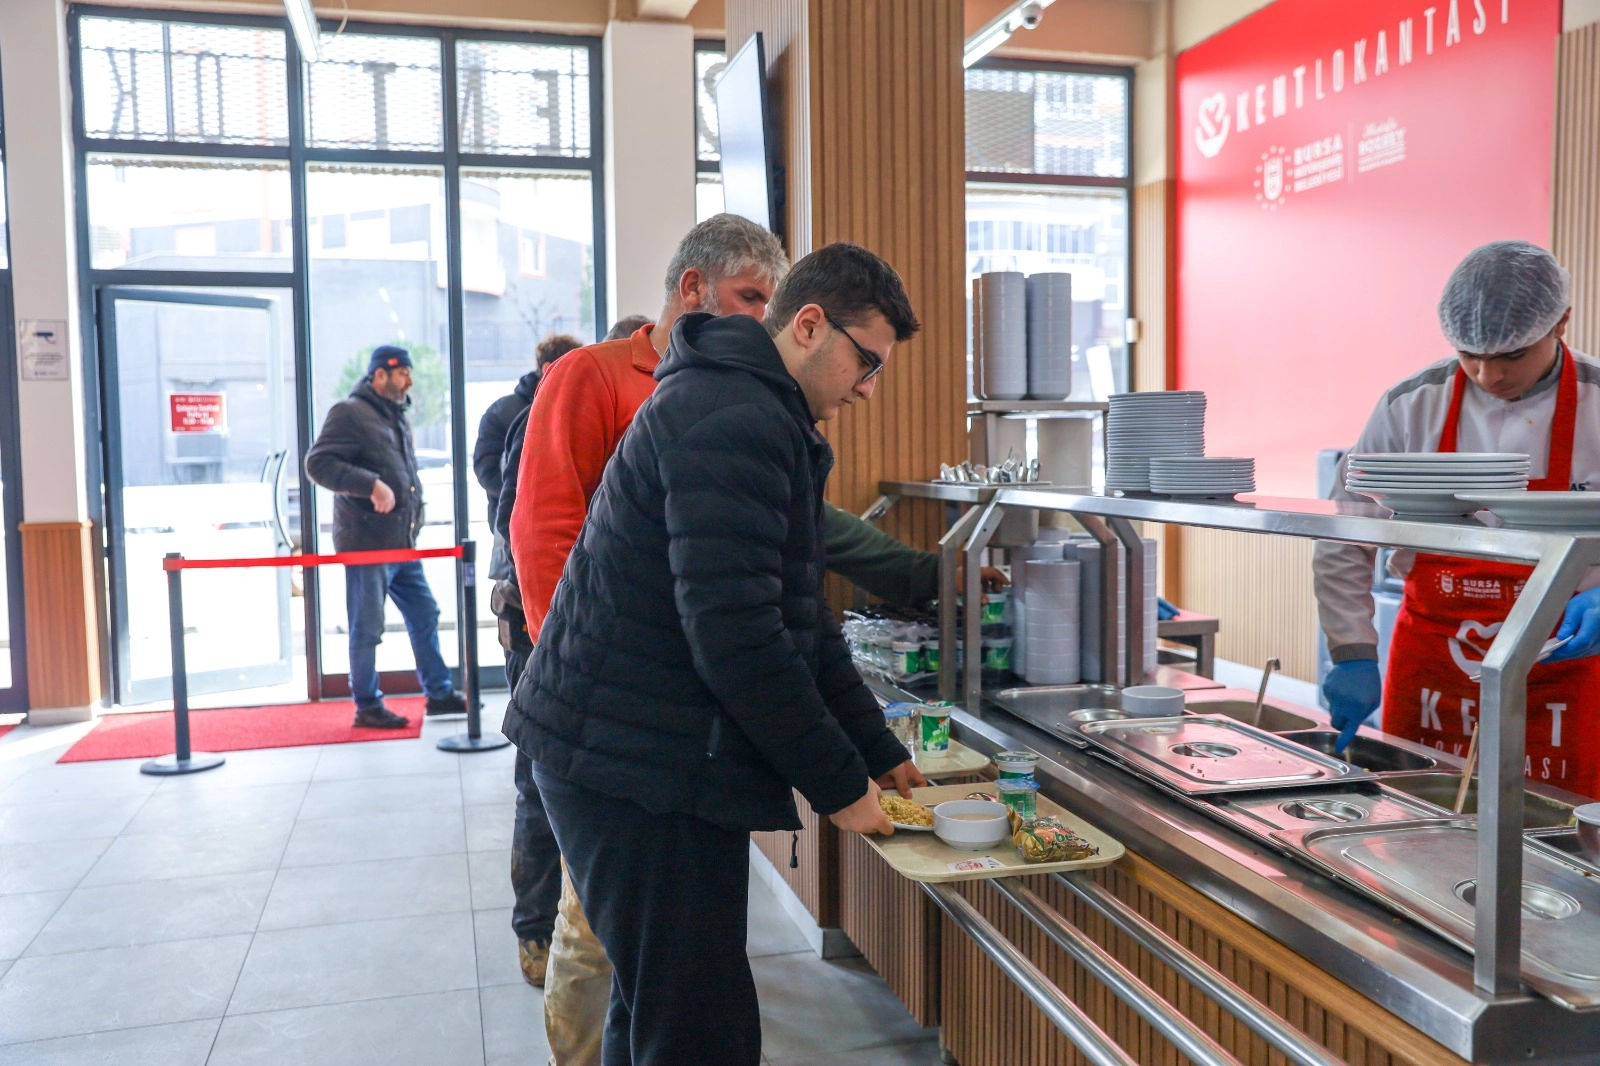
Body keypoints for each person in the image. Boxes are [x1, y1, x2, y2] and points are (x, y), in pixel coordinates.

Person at [508, 242, 927, 1066]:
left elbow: (801, 621)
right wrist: (840, 784)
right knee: (700, 1030)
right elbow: (738, 638)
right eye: (867, 362)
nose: (868, 388)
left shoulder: (755, 410)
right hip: (628, 764)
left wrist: (877, 751)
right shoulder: (735, 417)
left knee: (657, 1011)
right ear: (810, 325)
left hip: (635, 752)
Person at [508, 215, 792, 1059]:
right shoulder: (592, 375)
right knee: (590, 928)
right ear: (693, 288)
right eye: (750, 297)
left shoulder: (734, 392)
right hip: (599, 712)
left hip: (674, 721)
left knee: (643, 957)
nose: (761, 319)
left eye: (770, 305)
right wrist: (583, 679)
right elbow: (545, 532)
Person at [1313, 240, 1600, 798]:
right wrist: (1351, 651)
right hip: (1434, 665)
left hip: (1568, 666)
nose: (1488, 374)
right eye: (1469, 354)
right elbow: (1344, 534)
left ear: (1561, 323)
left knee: (1561, 832)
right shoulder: (1410, 404)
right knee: (1418, 816)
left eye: (1512, 355)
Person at [469, 333, 580, 988]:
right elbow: (511, 514)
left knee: (552, 779)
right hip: (533, 619)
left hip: (553, 620)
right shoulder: (527, 417)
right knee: (537, 777)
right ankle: (535, 927)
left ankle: (562, 923)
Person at [305, 345, 468, 729]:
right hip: (367, 545)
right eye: (403, 373)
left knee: (424, 613)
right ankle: (367, 705)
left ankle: (440, 694)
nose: (409, 380)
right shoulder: (350, 413)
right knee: (367, 628)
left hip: (401, 543)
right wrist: (371, 485)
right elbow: (318, 463)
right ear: (380, 375)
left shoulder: (395, 417)